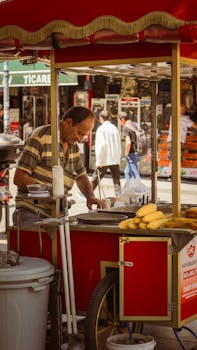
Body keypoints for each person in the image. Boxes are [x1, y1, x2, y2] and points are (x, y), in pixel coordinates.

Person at [13, 106, 106, 226]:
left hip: (56, 214)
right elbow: (19, 177)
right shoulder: (41, 137)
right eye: (79, 133)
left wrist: (90, 196)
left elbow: (81, 176)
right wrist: (49, 192)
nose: (80, 139)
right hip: (32, 213)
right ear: (68, 123)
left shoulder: (73, 147)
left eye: (84, 135)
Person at [91, 110, 122, 196]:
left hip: (105, 158)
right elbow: (118, 144)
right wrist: (118, 157)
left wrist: (99, 160)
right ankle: (119, 195)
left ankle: (87, 194)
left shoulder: (101, 129)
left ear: (101, 118)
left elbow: (101, 145)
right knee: (116, 180)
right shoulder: (114, 128)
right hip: (114, 158)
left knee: (96, 178)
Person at [119, 111, 141, 181]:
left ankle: (140, 190)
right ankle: (129, 189)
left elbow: (128, 142)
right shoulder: (135, 124)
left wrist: (126, 153)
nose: (120, 123)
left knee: (135, 173)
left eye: (119, 121)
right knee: (127, 172)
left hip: (131, 153)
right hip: (138, 152)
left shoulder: (125, 128)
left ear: (122, 119)